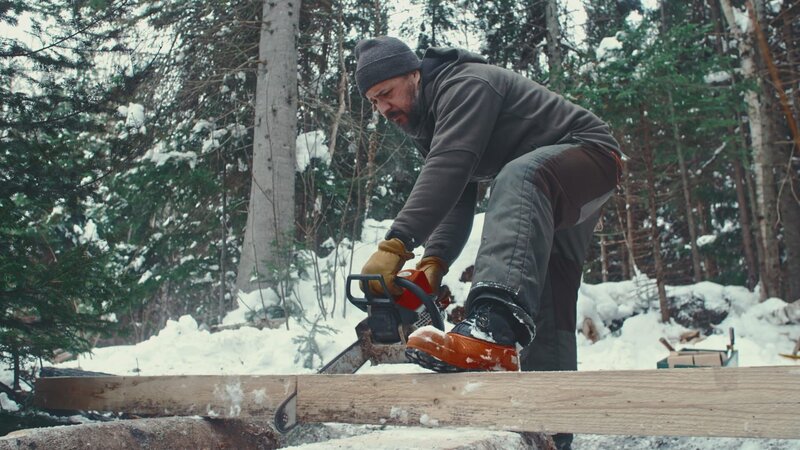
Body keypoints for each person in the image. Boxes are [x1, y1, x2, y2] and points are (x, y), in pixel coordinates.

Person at [356, 36, 620, 379]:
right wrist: (434, 261)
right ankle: (551, 422)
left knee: (517, 177)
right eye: (374, 102)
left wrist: (398, 242)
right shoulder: (430, 121)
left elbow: (448, 167)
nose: (383, 109)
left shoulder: (465, 84)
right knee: (550, 294)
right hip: (549, 188)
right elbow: (456, 197)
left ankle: (491, 332)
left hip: (590, 155)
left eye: (387, 93)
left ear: (413, 74)